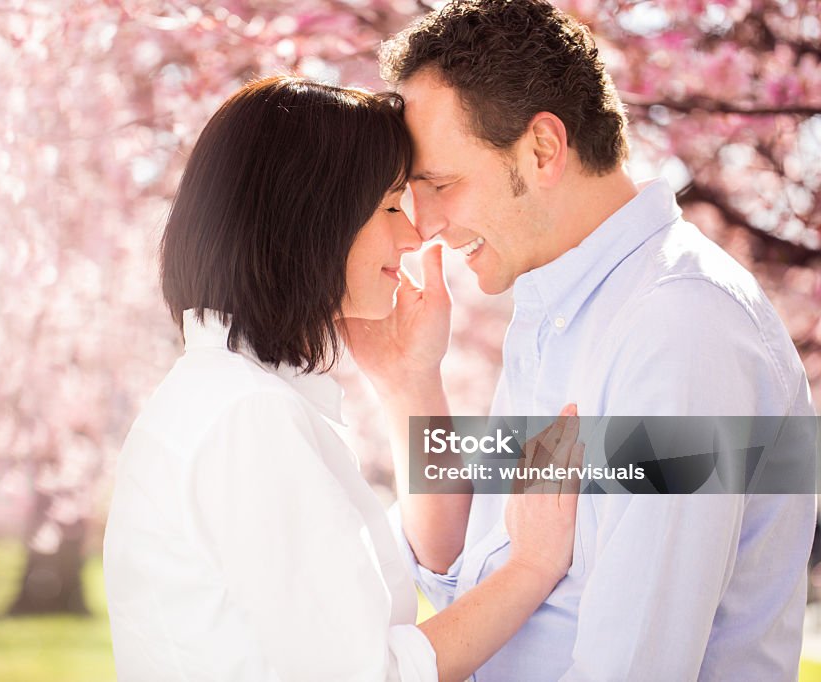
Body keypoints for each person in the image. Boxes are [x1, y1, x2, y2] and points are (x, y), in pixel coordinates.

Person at [343, 0, 817, 679]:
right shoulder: (558, 313)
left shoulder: (679, 331)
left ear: (543, 149)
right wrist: (411, 385)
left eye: (441, 185)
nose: (427, 227)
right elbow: (461, 571)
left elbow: (632, 667)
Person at [102, 75, 583, 682]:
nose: (412, 236)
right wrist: (533, 565)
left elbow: (415, 554)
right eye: (388, 207)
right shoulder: (246, 417)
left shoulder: (229, 396)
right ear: (310, 218)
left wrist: (409, 382)